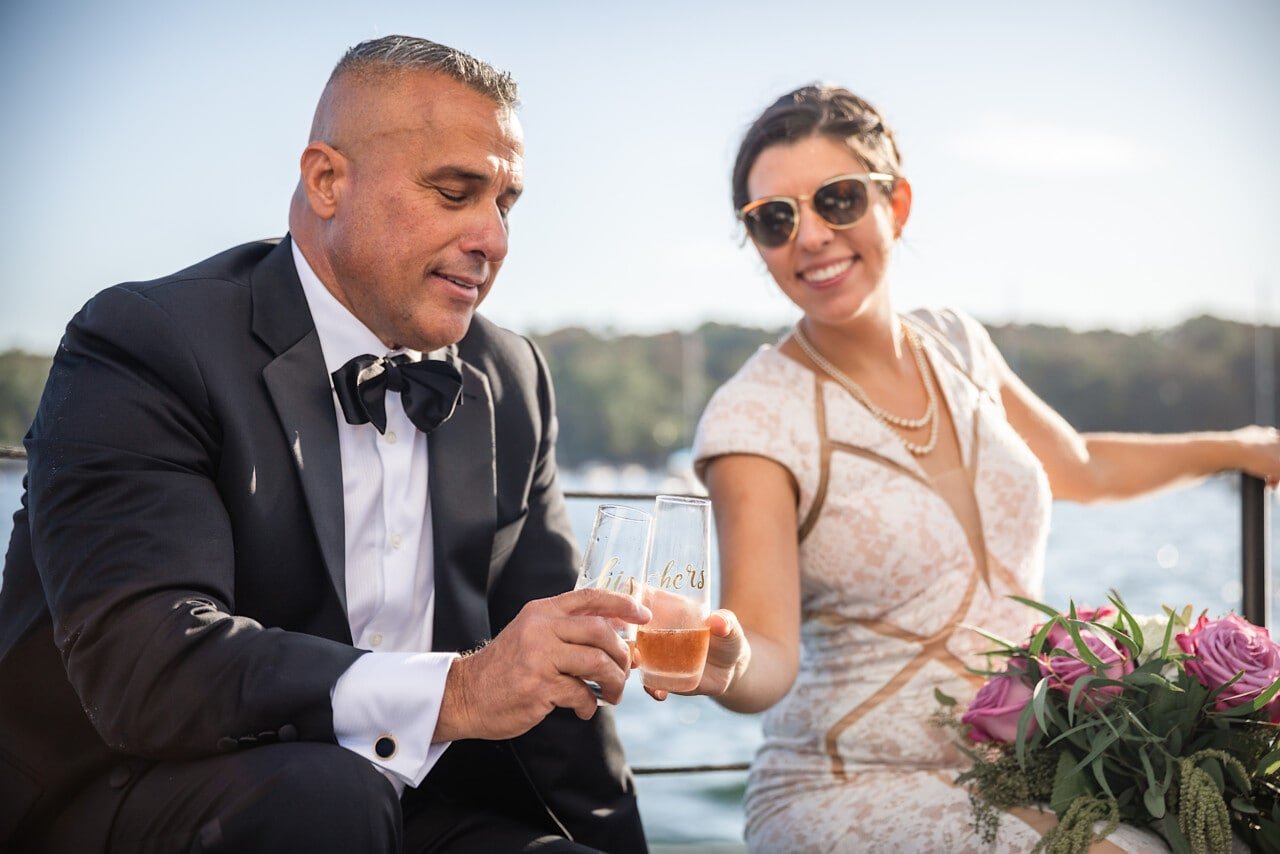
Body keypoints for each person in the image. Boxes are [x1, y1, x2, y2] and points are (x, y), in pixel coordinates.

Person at [0, 36, 650, 854]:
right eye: (455, 192)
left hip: (420, 808)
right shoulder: (148, 341)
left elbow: (558, 689)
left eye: (506, 203)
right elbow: (148, 667)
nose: (494, 237)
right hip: (145, 793)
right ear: (326, 180)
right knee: (325, 798)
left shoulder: (509, 376)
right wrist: (459, 689)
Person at [674, 84, 1280, 852]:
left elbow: (1084, 466)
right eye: (775, 218)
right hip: (845, 785)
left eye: (839, 199)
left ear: (896, 203)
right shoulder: (755, 414)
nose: (812, 235)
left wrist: (1240, 447)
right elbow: (767, 654)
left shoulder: (958, 344)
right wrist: (721, 656)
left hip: (1022, 770)